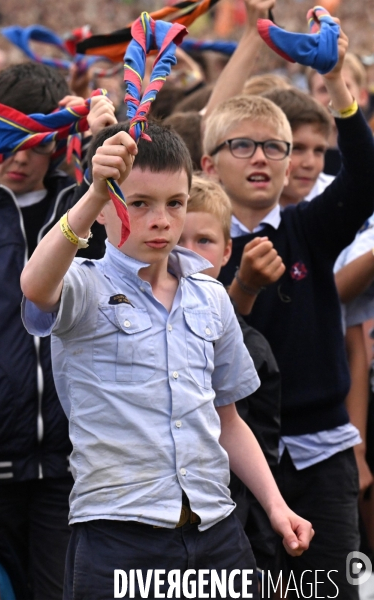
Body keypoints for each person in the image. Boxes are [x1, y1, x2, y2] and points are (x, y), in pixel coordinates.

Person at [20, 121, 313, 600]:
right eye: (138, 204)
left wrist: (277, 508)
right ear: (107, 210)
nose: (160, 220)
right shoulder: (85, 286)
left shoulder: (211, 296)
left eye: (175, 203)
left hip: (214, 527)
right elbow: (35, 286)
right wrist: (95, 192)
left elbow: (228, 421)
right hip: (119, 536)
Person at [201, 23, 374, 598]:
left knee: (337, 590)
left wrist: (336, 81)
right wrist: (243, 286)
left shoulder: (307, 229)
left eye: (274, 147)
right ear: (209, 164)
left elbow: (366, 177)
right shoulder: (187, 243)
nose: (262, 158)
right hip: (231, 460)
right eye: (242, 146)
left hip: (322, 453)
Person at [0, 62, 116, 600]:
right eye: (6, 142)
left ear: (58, 144)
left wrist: (106, 144)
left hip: (72, 467)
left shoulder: (86, 207)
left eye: (34, 145)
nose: (19, 158)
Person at [178, 174, 282, 577]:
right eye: (178, 240)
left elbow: (257, 447)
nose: (189, 254)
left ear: (226, 251)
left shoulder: (251, 349)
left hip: (230, 527)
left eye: (203, 241)